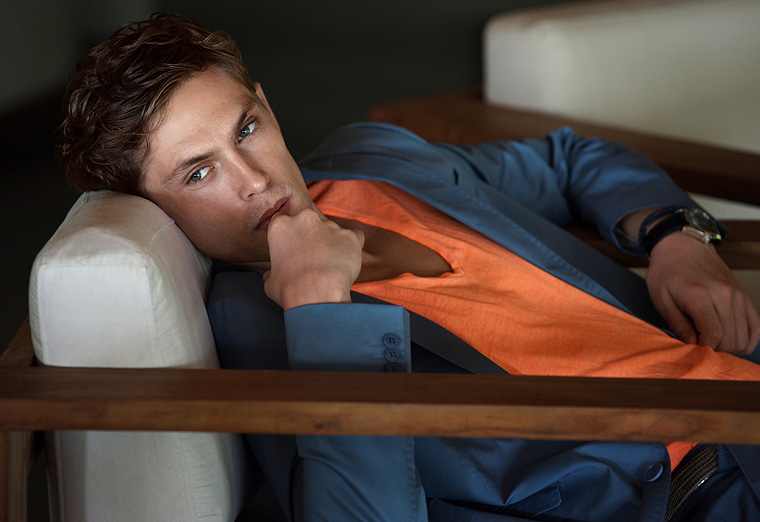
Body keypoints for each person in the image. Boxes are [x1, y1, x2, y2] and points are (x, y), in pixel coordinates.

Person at [60, 13, 760, 522]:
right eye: (199, 172)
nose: (255, 181)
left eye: (247, 129)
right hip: (694, 489)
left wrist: (676, 237)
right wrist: (319, 307)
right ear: (155, 209)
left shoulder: (372, 156)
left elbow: (570, 159)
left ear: (267, 106)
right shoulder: (251, 332)